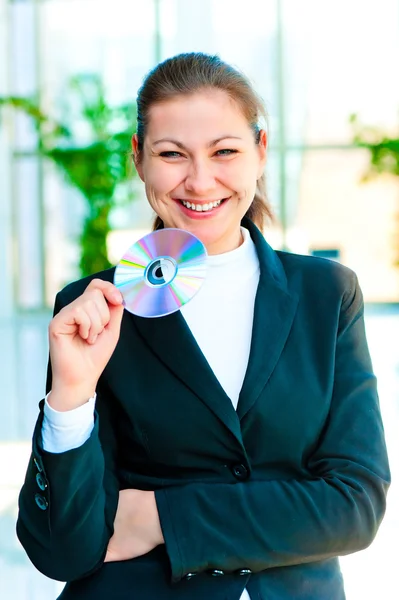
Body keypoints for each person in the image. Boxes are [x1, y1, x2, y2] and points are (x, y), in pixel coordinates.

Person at [17, 52, 390, 600]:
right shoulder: (93, 308)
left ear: (260, 153)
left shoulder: (328, 294)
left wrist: (161, 516)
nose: (199, 180)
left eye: (225, 152)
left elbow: (354, 506)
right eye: (172, 154)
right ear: (140, 159)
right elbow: (62, 550)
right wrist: (72, 397)